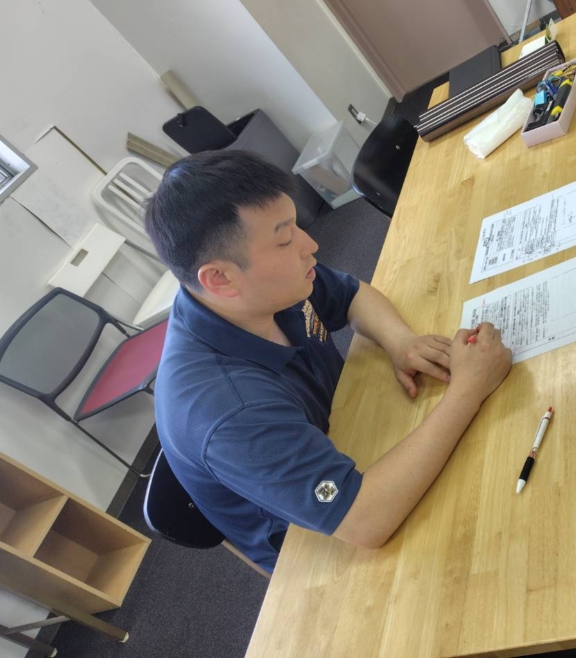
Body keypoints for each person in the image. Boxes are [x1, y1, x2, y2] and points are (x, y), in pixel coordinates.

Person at [145, 150, 511, 573]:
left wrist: (401, 341)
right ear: (220, 278)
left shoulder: (253, 293)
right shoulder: (227, 412)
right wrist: (468, 389)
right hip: (320, 548)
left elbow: (352, 295)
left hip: (343, 437)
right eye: (285, 240)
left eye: (295, 225)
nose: (311, 245)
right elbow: (366, 521)